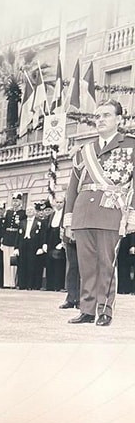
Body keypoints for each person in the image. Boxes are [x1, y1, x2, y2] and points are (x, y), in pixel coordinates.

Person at [64, 99, 135, 326]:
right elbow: (72, 188)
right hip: (83, 211)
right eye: (98, 116)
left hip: (111, 211)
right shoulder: (84, 151)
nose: (101, 120)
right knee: (86, 265)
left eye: (106, 115)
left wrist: (132, 216)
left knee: (106, 264)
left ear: (119, 119)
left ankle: (105, 310)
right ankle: (87, 309)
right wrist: (68, 219)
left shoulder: (130, 145)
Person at [1, 194, 25, 287]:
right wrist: (2, 238)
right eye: (14, 201)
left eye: (17, 201)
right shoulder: (9, 212)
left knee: (14, 261)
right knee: (6, 261)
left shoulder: (23, 213)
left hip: (15, 238)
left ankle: (13, 282)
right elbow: (5, 226)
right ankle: (6, 282)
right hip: (7, 238)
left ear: (20, 202)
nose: (15, 203)